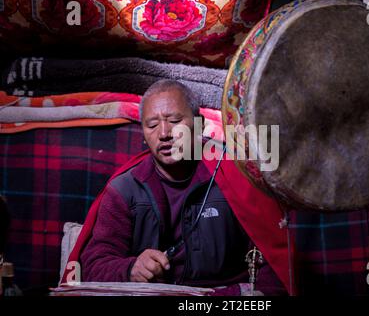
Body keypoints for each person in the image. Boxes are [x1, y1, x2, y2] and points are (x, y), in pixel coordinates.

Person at [78, 80, 288, 295]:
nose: (164, 133)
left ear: (199, 125)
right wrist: (131, 269)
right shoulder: (125, 189)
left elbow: (275, 259)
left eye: (175, 121)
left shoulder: (237, 178)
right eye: (152, 125)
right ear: (143, 133)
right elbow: (93, 265)